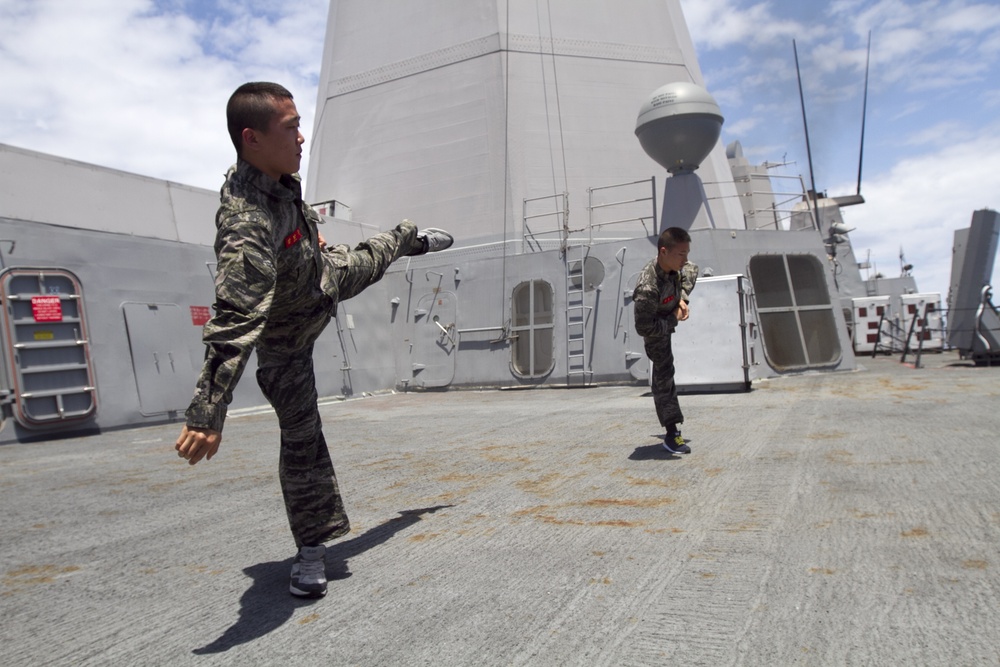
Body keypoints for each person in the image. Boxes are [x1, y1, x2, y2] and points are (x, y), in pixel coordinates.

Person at [174, 82, 453, 598]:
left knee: (376, 252)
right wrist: (206, 414)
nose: (302, 138)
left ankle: (412, 238)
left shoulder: (281, 179)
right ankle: (311, 549)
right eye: (291, 127)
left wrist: (307, 243)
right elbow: (235, 318)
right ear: (251, 138)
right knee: (302, 441)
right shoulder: (245, 225)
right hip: (287, 339)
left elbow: (292, 225)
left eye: (301, 123)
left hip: (323, 275)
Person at [632, 227, 698, 455]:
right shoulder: (648, 288)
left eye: (686, 252)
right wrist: (673, 318)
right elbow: (644, 328)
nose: (685, 259)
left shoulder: (680, 267)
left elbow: (691, 269)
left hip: (669, 307)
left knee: (690, 271)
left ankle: (671, 433)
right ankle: (671, 434)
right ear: (663, 252)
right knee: (663, 373)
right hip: (656, 327)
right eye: (681, 254)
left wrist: (681, 298)